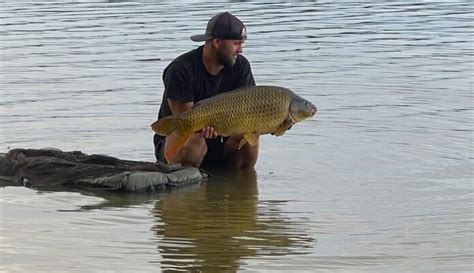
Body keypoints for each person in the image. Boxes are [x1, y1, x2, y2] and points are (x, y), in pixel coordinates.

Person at [153, 12, 258, 169]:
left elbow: (249, 113)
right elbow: (184, 121)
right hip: (183, 141)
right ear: (217, 42)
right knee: (193, 143)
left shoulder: (241, 66)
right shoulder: (181, 69)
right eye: (236, 43)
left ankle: (238, 188)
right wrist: (206, 126)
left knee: (249, 140)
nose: (240, 50)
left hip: (223, 140)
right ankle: (183, 180)